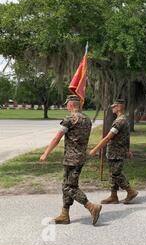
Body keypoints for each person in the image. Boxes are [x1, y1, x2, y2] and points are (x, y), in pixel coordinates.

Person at [39, 95, 102, 226]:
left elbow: (57, 138)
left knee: (69, 187)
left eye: (67, 104)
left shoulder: (70, 119)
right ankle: (64, 215)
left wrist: (46, 153)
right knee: (67, 185)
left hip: (71, 159)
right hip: (80, 158)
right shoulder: (87, 120)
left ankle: (91, 206)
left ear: (71, 105)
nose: (66, 106)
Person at [90, 99, 138, 205]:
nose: (112, 108)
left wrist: (95, 149)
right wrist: (128, 150)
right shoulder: (122, 119)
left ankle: (131, 191)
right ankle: (113, 196)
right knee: (113, 174)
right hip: (116, 151)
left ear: (119, 107)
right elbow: (126, 137)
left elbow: (108, 138)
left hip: (116, 152)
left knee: (116, 174)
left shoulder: (119, 121)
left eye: (114, 106)